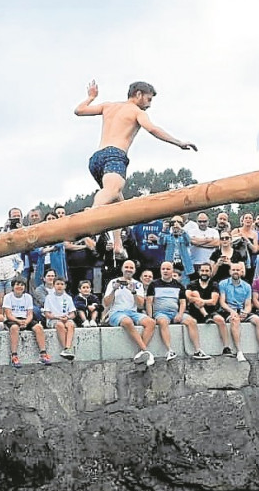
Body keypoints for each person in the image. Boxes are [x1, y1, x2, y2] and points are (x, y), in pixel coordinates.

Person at [74, 79, 197, 246]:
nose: (149, 105)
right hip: (114, 155)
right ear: (138, 94)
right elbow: (153, 129)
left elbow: (79, 110)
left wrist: (91, 97)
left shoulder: (108, 106)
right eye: (149, 99)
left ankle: (118, 245)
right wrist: (178, 142)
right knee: (111, 190)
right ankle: (90, 217)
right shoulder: (136, 112)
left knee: (117, 202)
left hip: (96, 159)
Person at [147, 261, 209, 361]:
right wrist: (150, 317)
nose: (165, 271)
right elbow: (149, 302)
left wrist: (180, 314)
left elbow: (183, 303)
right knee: (163, 322)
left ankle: (198, 350)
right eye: (163, 269)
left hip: (175, 313)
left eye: (168, 269)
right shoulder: (153, 284)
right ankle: (169, 351)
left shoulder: (179, 285)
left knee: (192, 321)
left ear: (172, 271)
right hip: (160, 313)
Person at [103, 259, 157, 365]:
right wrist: (114, 290)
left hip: (132, 312)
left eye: (131, 268)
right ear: (122, 268)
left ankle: (141, 353)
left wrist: (134, 292)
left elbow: (141, 305)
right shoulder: (113, 282)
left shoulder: (138, 284)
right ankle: (145, 351)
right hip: (116, 312)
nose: (128, 269)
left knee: (151, 322)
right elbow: (106, 303)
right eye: (126, 267)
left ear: (135, 270)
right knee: (127, 322)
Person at [217, 261, 257, 362]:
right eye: (233, 270)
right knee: (235, 320)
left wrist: (246, 312)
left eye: (238, 270)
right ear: (230, 271)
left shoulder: (247, 286)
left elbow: (248, 305)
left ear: (241, 272)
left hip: (242, 310)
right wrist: (232, 311)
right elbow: (222, 302)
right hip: (229, 310)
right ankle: (239, 351)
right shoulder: (223, 284)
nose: (236, 272)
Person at [185, 261, 230, 349]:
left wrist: (200, 301)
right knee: (195, 293)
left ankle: (226, 347)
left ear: (210, 272)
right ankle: (205, 315)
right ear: (199, 272)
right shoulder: (192, 284)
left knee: (220, 320)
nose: (204, 273)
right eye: (202, 271)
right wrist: (196, 299)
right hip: (194, 311)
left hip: (211, 311)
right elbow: (188, 297)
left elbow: (213, 301)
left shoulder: (214, 284)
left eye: (206, 271)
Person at [43, 277, 77, 360]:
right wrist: (57, 317)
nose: (60, 286)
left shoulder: (68, 298)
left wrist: (68, 317)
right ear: (54, 285)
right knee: (59, 325)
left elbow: (73, 313)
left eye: (62, 284)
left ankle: (67, 348)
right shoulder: (49, 297)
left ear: (65, 286)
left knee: (71, 324)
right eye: (57, 284)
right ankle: (64, 348)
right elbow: (47, 313)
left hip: (66, 318)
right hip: (53, 319)